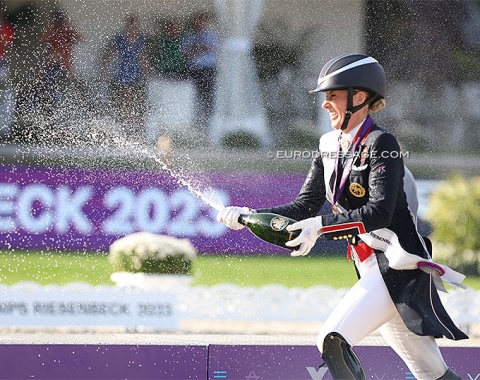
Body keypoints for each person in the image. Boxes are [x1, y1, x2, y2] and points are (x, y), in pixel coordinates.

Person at [217, 54, 467, 380]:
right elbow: (305, 206)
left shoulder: (382, 143)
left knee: (332, 340)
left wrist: (320, 227)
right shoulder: (326, 145)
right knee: (431, 371)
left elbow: (380, 211)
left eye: (332, 95)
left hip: (398, 265)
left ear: (358, 98)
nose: (325, 105)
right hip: (369, 267)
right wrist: (251, 216)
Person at [103, 14, 150, 140]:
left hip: (136, 73)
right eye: (131, 23)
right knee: (125, 101)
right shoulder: (119, 38)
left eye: (135, 24)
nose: (133, 26)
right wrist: (105, 71)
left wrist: (147, 72)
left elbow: (142, 57)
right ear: (127, 24)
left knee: (137, 101)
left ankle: (137, 129)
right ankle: (125, 128)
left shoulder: (140, 39)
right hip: (122, 72)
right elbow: (110, 54)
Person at [181, 11, 217, 134]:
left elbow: (212, 49)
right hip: (194, 70)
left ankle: (208, 125)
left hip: (208, 69)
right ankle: (195, 123)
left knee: (208, 97)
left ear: (205, 22)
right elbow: (186, 54)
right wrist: (198, 48)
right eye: (197, 21)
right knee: (194, 96)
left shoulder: (211, 35)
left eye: (201, 21)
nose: (199, 23)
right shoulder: (189, 36)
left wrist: (197, 48)